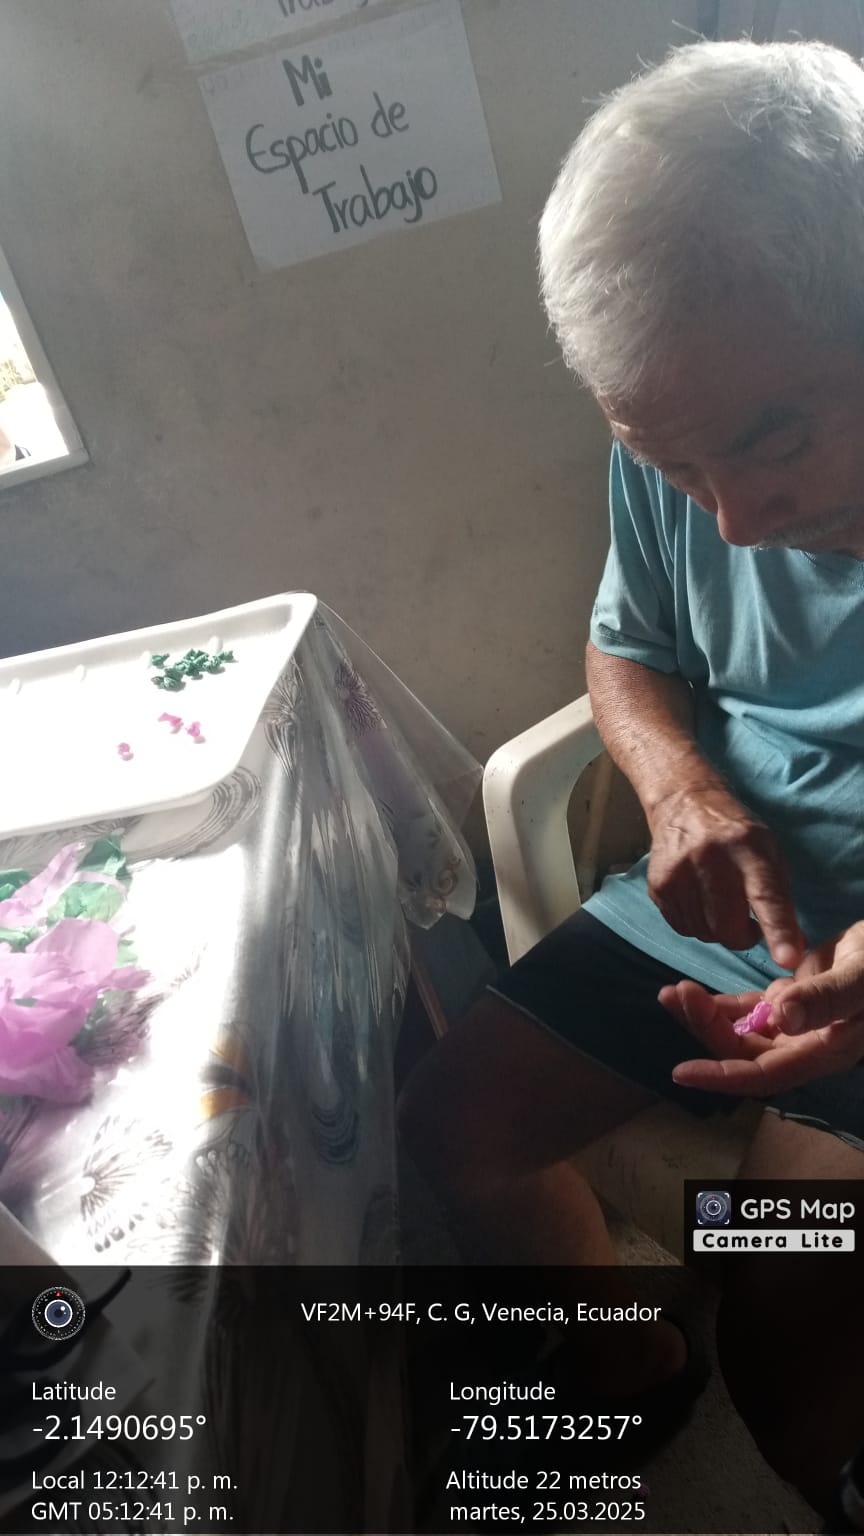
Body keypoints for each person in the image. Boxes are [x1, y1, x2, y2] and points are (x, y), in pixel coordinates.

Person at [399, 36, 864, 1515]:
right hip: (740, 897)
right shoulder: (691, 429)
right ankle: (634, 1370)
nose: (732, 523)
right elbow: (626, 647)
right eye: (671, 467)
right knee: (457, 1131)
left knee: (786, 1295)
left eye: (773, 442)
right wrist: (679, 790)